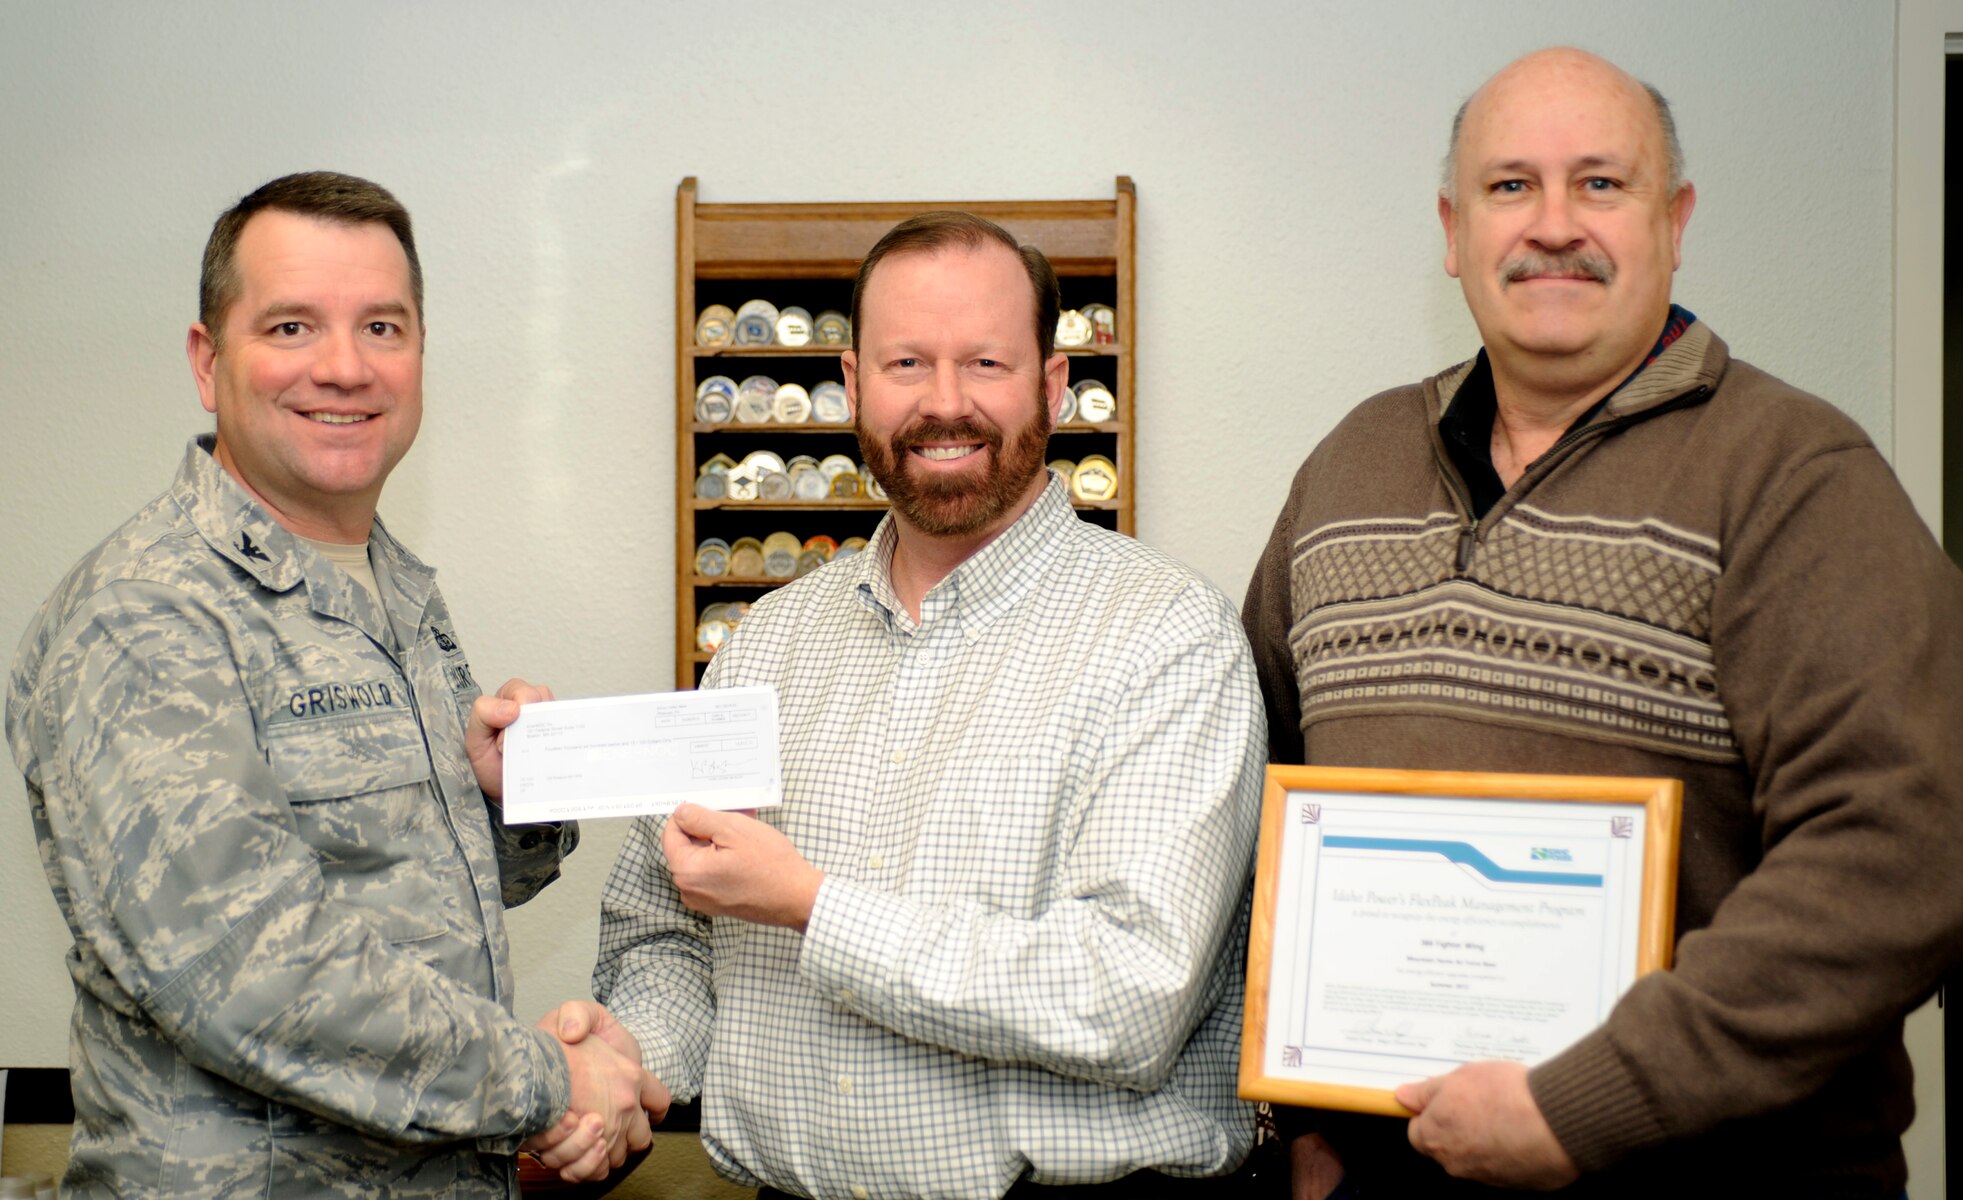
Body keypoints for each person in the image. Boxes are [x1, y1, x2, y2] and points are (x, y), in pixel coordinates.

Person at [1243, 47, 1963, 1198]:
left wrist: (1581, 1106)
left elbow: (1900, 853)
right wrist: (1298, 1120)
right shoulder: (1349, 465)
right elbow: (1256, 792)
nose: (1551, 225)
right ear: (1450, 231)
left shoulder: (1795, 477)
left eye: (1599, 183)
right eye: (1508, 186)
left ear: (1673, 219)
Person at [576, 212, 1267, 1199]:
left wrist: (815, 909)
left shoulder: (1165, 639)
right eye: (906, 363)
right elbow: (663, 927)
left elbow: (1127, 995)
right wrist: (631, 1060)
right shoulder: (764, 645)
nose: (944, 404)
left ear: (1052, 386)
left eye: (984, 362)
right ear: (853, 386)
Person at [6, 172, 666, 1198]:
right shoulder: (145, 616)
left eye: (383, 328)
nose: (346, 367)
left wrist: (502, 802)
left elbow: (395, 896)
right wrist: (551, 1082)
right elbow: (249, 974)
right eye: (290, 326)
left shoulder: (390, 589)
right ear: (205, 359)